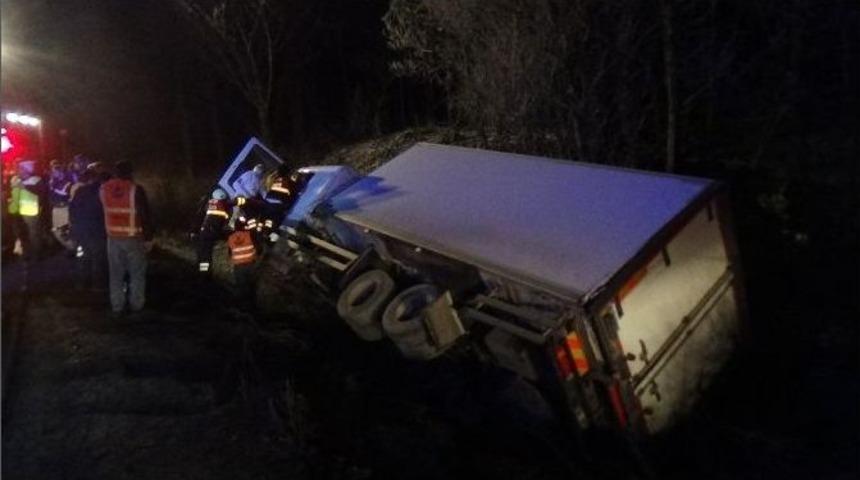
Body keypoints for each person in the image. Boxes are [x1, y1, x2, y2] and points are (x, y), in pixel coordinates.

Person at [99, 160, 153, 316]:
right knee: (136, 273)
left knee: (115, 274)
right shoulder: (135, 189)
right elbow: (145, 215)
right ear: (130, 173)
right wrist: (149, 238)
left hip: (112, 238)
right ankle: (136, 305)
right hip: (133, 237)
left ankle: (117, 306)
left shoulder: (104, 188)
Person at [69, 162, 109, 292]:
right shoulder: (102, 191)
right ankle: (97, 285)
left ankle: (80, 284)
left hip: (81, 231)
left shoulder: (80, 191)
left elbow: (72, 211)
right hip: (97, 230)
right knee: (98, 258)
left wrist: (73, 231)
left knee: (82, 257)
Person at [7, 159, 47, 288]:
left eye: (22, 169)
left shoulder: (36, 180)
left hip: (32, 212)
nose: (20, 171)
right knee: (23, 236)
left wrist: (23, 187)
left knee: (34, 235)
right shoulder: (18, 180)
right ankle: (27, 254)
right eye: (19, 169)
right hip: (19, 212)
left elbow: (41, 193)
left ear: (28, 170)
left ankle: (37, 255)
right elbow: (13, 194)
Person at [227, 210, 260, 310]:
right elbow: (258, 247)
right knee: (251, 287)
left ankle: (240, 308)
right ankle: (251, 307)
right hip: (250, 264)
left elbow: (230, 252)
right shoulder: (249, 235)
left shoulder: (231, 238)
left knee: (241, 287)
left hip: (238, 267)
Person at [196, 188, 231, 275]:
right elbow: (225, 220)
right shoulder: (222, 205)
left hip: (204, 232)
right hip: (211, 232)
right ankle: (206, 274)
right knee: (206, 253)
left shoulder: (210, 203)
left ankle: (202, 272)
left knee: (203, 252)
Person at [48, 159, 75, 251]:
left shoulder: (67, 182)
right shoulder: (52, 181)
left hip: (65, 208)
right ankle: (70, 247)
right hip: (56, 208)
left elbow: (63, 191)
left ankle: (73, 248)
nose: (55, 171)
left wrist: (55, 183)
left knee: (66, 231)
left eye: (57, 169)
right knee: (57, 231)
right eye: (53, 169)